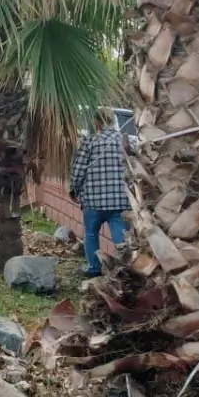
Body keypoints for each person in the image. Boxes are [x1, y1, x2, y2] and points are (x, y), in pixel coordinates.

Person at [70, 107, 130, 278]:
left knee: (90, 233)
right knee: (121, 236)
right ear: (113, 121)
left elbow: (79, 169)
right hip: (120, 201)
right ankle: (123, 269)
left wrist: (73, 190)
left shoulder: (89, 142)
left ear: (96, 122)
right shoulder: (125, 142)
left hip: (93, 201)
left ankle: (94, 268)